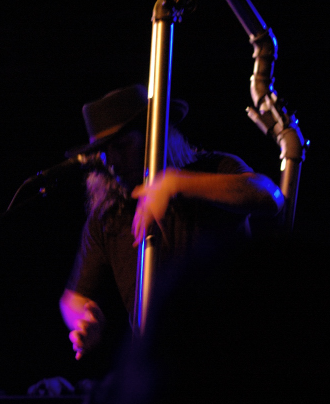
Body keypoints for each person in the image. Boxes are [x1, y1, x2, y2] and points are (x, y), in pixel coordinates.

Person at [59, 84, 284, 360]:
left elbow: (271, 197)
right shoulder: (109, 213)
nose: (113, 161)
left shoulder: (211, 169)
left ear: (153, 136)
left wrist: (176, 183)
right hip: (161, 365)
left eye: (122, 146)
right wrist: (83, 319)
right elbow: (73, 299)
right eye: (104, 153)